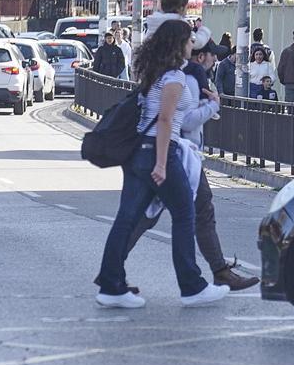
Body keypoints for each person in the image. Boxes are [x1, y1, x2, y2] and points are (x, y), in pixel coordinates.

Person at [94, 19, 230, 309]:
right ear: (178, 45)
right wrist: (161, 163)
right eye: (189, 41)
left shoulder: (154, 72)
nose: (192, 46)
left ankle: (110, 285)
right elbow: (167, 120)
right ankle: (192, 287)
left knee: (126, 219)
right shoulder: (174, 78)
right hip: (158, 151)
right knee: (184, 214)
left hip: (137, 152)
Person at [121, 35, 258, 292]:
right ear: (200, 56)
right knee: (190, 213)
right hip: (178, 155)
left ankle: (113, 270)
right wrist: (212, 105)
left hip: (169, 153)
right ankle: (207, 277)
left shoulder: (167, 72)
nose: (215, 59)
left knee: (151, 214)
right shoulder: (190, 77)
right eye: (212, 54)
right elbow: (183, 121)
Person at [142, 0, 210, 49]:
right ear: (181, 8)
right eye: (186, 7)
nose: (186, 11)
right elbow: (197, 42)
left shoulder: (153, 24)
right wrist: (204, 31)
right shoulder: (179, 26)